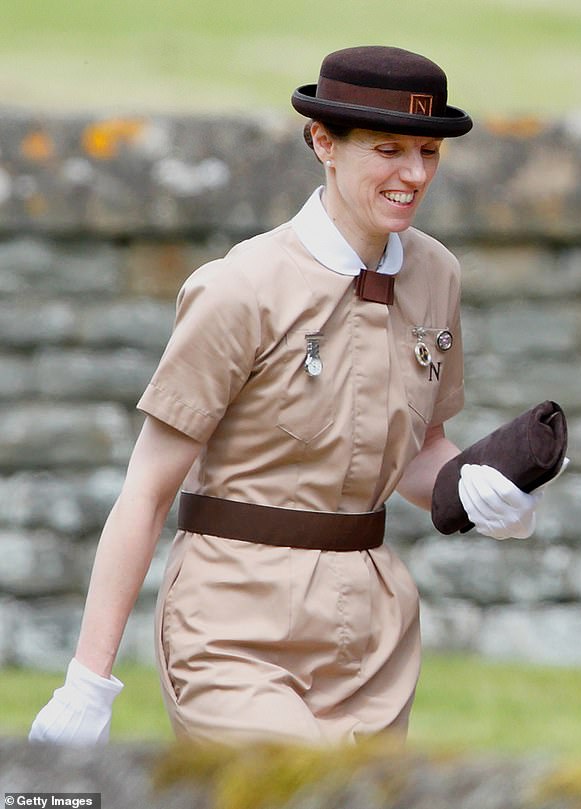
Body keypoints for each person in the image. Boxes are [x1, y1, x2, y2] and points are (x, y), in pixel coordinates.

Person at [29, 45, 544, 748]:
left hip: (374, 634)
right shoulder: (239, 288)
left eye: (428, 150)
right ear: (323, 142)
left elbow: (420, 451)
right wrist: (87, 683)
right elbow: (146, 489)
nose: (415, 174)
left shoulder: (437, 275)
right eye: (389, 149)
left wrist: (476, 489)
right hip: (232, 625)